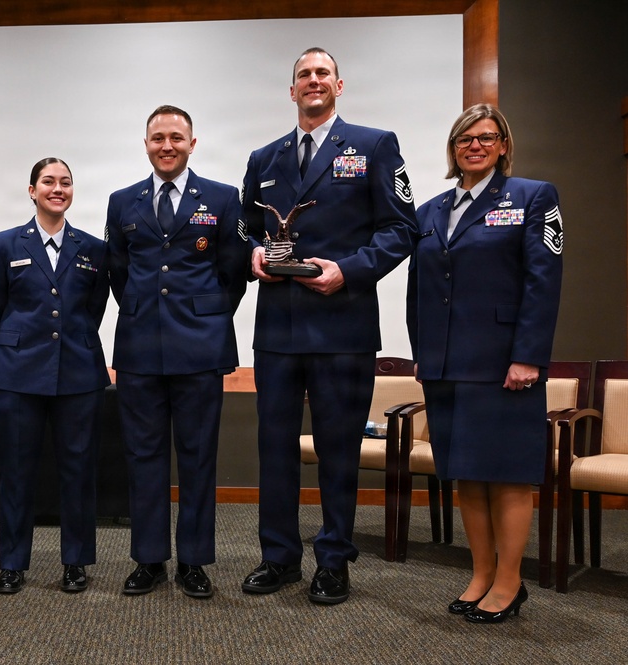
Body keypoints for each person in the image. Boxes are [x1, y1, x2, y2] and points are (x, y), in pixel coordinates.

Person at [240, 47, 417, 605]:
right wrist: (253, 254)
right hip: (278, 330)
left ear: (339, 85)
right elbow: (245, 229)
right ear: (291, 90)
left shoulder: (374, 146)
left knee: (338, 449)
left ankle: (334, 559)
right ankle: (279, 556)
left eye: (322, 73)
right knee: (274, 448)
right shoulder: (264, 158)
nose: (313, 80)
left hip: (343, 325)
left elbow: (401, 229)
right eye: (303, 75)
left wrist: (350, 270)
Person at [407, 103, 562, 623]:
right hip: (446, 366)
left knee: (508, 476)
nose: (475, 146)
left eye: (486, 137)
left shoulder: (532, 197)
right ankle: (480, 574)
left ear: (503, 145)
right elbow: (419, 290)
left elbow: (543, 282)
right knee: (467, 476)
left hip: (503, 366)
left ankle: (510, 582)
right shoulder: (429, 210)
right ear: (453, 148)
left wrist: (528, 357)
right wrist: (423, 354)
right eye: (464, 139)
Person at [106, 105, 248, 599]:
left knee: (198, 456)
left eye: (176, 137)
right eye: (157, 138)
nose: (166, 146)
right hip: (140, 347)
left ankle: (193, 560)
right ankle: (149, 559)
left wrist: (204, 317)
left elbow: (233, 271)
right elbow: (118, 272)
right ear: (146, 144)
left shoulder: (223, 198)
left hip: (200, 348)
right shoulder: (122, 201)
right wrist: (147, 313)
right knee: (143, 457)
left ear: (192, 143)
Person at [0, 158, 110, 594]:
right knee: (16, 472)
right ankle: (12, 563)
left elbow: (93, 309)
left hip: (78, 372)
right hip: (18, 372)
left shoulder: (93, 249)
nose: (58, 189)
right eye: (48, 182)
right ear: (32, 190)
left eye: (65, 182)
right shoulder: (2, 245)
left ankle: (76, 561)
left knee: (79, 471)